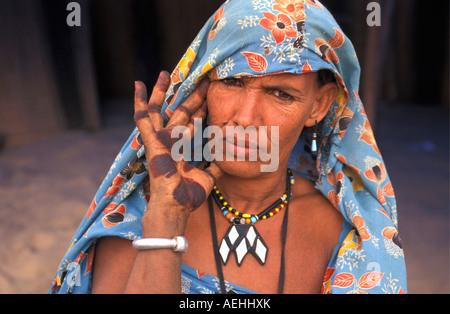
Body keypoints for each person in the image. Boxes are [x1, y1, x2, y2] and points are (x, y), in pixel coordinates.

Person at [50, 0, 407, 294]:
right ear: (202, 84)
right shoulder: (141, 212)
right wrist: (165, 222)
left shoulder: (352, 240)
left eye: (281, 93)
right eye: (233, 81)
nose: (246, 117)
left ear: (319, 105)